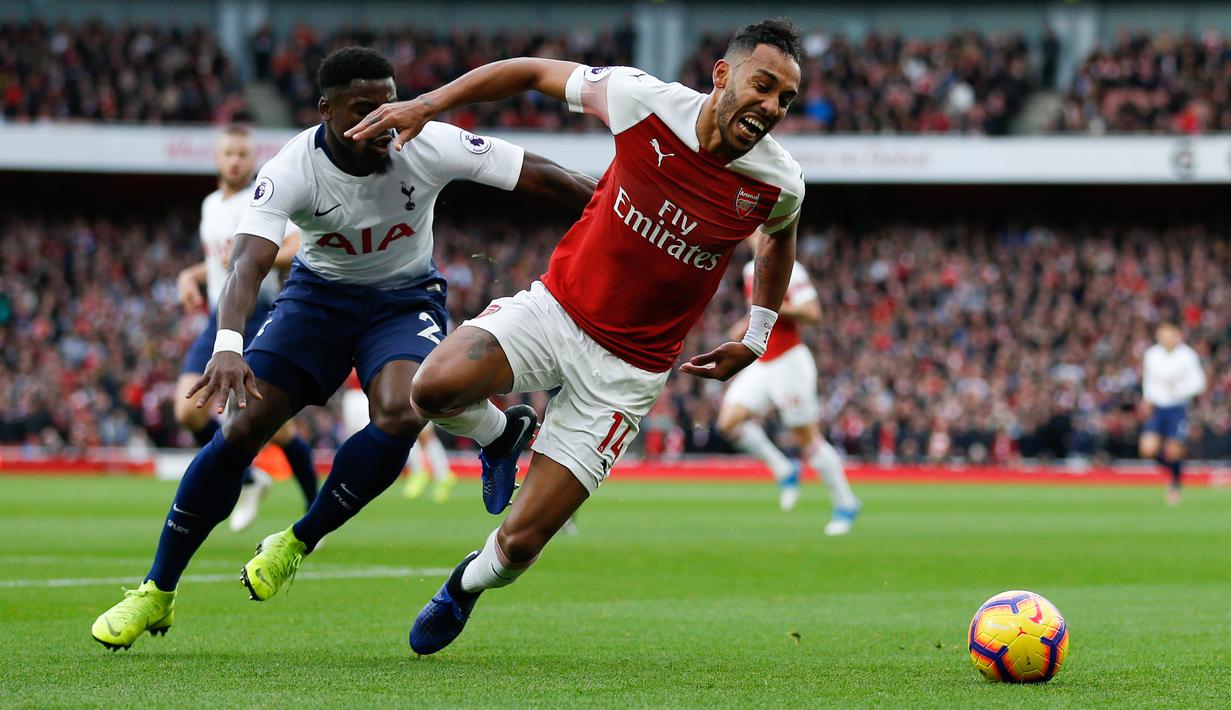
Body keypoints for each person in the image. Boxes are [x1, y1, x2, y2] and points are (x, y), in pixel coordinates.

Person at [90, 47, 596, 650]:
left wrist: (621, 216)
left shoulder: (424, 141)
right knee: (243, 427)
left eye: (388, 101)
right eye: (364, 108)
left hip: (403, 301)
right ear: (325, 109)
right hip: (316, 302)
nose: (383, 118)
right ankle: (156, 592)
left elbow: (541, 173)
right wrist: (228, 342)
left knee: (404, 410)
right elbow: (248, 262)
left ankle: (296, 541)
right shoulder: (291, 167)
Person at [347, 17, 806, 654]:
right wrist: (426, 104)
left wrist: (757, 334)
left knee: (519, 545)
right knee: (431, 389)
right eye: (762, 86)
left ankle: (463, 586)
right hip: (555, 311)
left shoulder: (778, 182)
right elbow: (532, 71)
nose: (772, 106)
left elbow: (779, 237)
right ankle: (501, 433)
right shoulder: (642, 101)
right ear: (722, 75)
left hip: (627, 373)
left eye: (785, 98)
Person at [174, 125, 320, 532]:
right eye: (229, 154)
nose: (235, 160)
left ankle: (314, 510)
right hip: (219, 318)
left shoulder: (259, 199)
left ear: (251, 159)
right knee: (187, 410)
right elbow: (221, 260)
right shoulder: (210, 205)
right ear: (218, 159)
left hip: (256, 313)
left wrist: (259, 260)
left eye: (242, 154)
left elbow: (294, 244)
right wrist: (191, 275)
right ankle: (251, 479)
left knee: (277, 427)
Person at [716, 251, 859, 534]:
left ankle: (846, 503)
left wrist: (773, 306)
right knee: (728, 422)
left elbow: (813, 314)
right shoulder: (749, 269)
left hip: (788, 362)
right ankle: (785, 469)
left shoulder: (789, 267)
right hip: (762, 362)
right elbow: (759, 313)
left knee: (806, 438)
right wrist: (745, 326)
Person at [1140, 321, 1206, 505]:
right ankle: (1172, 472)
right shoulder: (1152, 354)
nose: (1165, 339)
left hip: (1177, 407)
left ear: (1178, 336)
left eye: (1169, 335)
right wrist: (1147, 399)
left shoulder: (1187, 355)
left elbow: (1199, 383)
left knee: (1174, 450)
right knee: (1147, 449)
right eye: (1162, 335)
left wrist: (1178, 390)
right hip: (1158, 407)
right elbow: (1148, 379)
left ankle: (1175, 484)